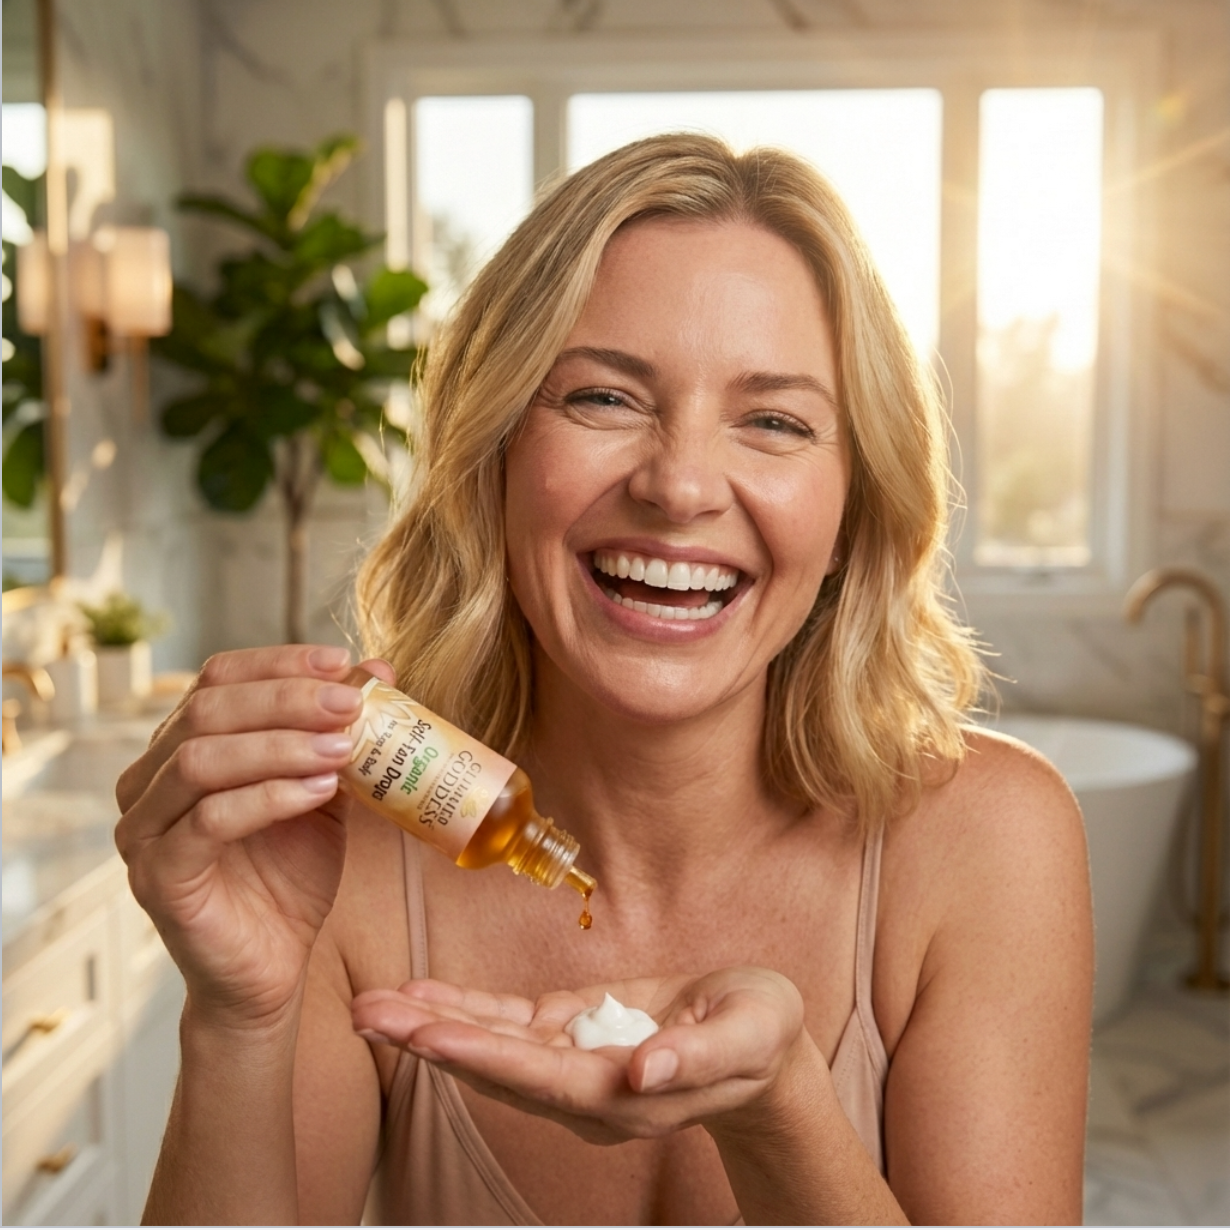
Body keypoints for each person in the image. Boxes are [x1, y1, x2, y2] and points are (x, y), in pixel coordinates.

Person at [116, 133, 1093, 1225]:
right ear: (491, 453)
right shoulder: (343, 859)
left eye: (773, 421)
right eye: (603, 400)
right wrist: (235, 1018)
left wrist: (781, 1114)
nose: (679, 485)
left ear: (853, 506)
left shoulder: (988, 845)